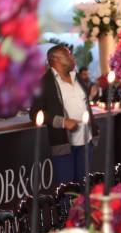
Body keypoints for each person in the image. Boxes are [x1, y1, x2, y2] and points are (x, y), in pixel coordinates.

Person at [30, 45, 98, 185]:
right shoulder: (44, 83)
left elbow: (83, 103)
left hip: (86, 140)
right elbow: (34, 113)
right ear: (55, 59)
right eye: (68, 54)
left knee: (84, 186)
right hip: (63, 145)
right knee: (67, 191)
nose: (73, 57)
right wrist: (63, 122)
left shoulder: (77, 77)